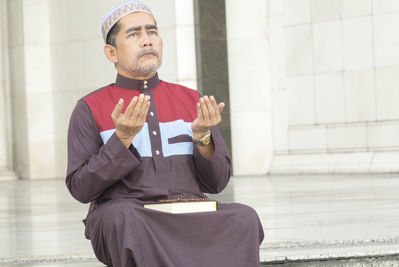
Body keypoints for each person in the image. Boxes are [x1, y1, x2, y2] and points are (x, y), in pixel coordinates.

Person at [66, 1, 264, 266]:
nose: (147, 41)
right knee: (124, 218)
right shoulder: (90, 107)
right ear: (111, 52)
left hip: (188, 211)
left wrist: (203, 137)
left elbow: (217, 184)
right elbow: (80, 188)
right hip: (131, 212)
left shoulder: (191, 100)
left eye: (152, 32)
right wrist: (121, 139)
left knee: (244, 217)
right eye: (134, 34)